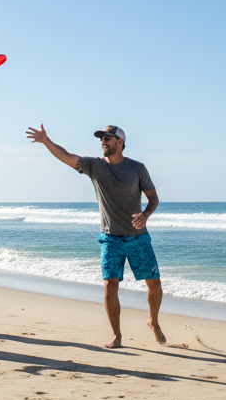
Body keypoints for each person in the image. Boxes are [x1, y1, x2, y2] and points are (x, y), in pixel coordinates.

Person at [26, 124, 166, 349]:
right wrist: (46, 141)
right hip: (109, 237)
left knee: (154, 284)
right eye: (102, 138)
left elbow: (153, 198)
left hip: (137, 237)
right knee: (110, 285)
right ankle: (117, 336)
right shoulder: (95, 165)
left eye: (108, 138)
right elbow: (68, 157)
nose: (103, 141)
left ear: (120, 142)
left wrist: (146, 215)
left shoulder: (137, 168)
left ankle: (153, 321)